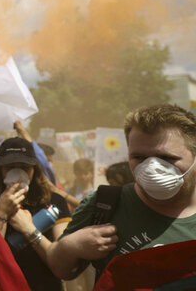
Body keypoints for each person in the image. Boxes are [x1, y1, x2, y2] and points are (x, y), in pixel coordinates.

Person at [46, 104, 196, 285]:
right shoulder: (104, 204)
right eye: (139, 157)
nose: (151, 168)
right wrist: (71, 246)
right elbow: (59, 268)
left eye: (167, 158)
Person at [0, 137, 71, 291]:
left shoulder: (55, 201)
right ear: (0, 169)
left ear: (34, 169)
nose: (17, 173)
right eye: (10, 167)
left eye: (24, 167)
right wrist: (1, 213)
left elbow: (62, 263)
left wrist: (28, 229)